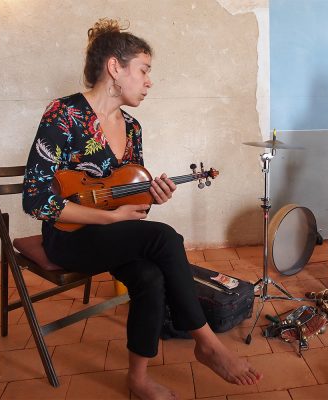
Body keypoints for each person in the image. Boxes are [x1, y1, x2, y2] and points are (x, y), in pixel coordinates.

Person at [22, 18, 262, 399]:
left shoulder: (132, 127)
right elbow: (36, 200)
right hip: (68, 238)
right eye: (144, 70)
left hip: (111, 236)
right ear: (115, 68)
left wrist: (151, 198)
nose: (150, 81)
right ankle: (207, 343)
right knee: (166, 237)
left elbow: (130, 206)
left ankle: (137, 379)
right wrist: (110, 217)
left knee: (150, 276)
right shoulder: (63, 115)